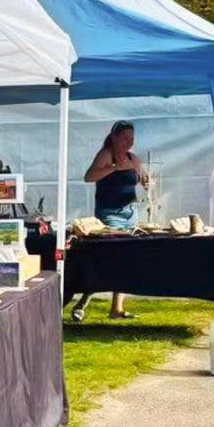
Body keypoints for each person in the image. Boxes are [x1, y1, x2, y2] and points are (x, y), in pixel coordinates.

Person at [70, 121, 148, 322]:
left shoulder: (134, 158)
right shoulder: (106, 154)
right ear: (114, 137)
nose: (129, 143)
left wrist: (146, 180)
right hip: (109, 213)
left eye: (131, 139)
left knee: (125, 259)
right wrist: (114, 168)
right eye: (125, 138)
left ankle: (117, 308)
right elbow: (89, 176)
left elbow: (144, 179)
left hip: (130, 212)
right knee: (106, 257)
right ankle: (83, 301)